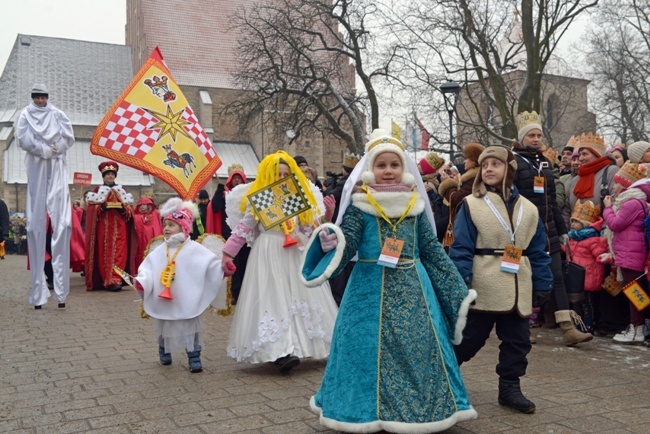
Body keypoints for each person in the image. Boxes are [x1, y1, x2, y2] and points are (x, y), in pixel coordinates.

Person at [301, 129, 477, 432]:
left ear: (404, 169)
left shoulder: (416, 206)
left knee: (418, 346)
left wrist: (454, 286)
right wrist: (331, 241)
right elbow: (350, 243)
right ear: (371, 168)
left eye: (394, 165)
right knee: (362, 347)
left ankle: (419, 411)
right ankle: (362, 411)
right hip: (367, 287)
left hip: (414, 289)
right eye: (381, 165)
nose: (388, 171)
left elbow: (432, 249)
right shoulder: (359, 203)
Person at [450, 146, 553, 414]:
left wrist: (543, 281)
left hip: (518, 282)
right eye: (485, 165)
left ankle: (510, 388)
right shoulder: (471, 204)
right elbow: (460, 247)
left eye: (496, 164)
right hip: (483, 282)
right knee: (469, 339)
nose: (489, 169)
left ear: (509, 170)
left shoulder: (529, 209)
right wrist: (461, 279)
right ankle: (442, 376)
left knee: (518, 341)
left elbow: (538, 249)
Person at [220, 151, 338, 373]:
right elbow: (243, 229)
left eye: (287, 174)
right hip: (268, 253)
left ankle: (311, 344)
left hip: (295, 254)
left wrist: (326, 217)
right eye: (277, 174)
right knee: (273, 299)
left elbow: (308, 229)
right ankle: (279, 351)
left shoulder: (295, 198)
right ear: (267, 177)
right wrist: (228, 253)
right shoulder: (259, 202)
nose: (282, 178)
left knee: (298, 297)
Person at [512, 111, 592, 346]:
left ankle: (568, 328)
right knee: (524, 277)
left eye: (539, 135)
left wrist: (562, 229)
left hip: (548, 231)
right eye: (531, 135)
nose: (536, 139)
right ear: (522, 137)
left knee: (557, 277)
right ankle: (520, 327)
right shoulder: (513, 162)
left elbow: (551, 200)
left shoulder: (545, 163)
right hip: (523, 232)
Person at [135, 198, 224, 372]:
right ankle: (164, 350)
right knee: (163, 324)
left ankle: (193, 355)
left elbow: (210, 263)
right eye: (165, 224)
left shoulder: (193, 248)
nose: (166, 228)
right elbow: (148, 268)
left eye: (171, 225)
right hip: (164, 297)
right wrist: (142, 282)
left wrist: (223, 269)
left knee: (191, 325)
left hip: (187, 296)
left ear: (184, 227)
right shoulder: (160, 249)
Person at [16, 83, 75, 309]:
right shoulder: (25, 115)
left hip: (57, 165)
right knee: (34, 226)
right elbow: (23, 139)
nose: (40, 101)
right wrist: (42, 150)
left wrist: (57, 148)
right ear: (33, 98)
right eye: (37, 97)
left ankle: (61, 290)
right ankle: (38, 291)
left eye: (43, 97)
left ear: (47, 97)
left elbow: (68, 135)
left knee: (62, 224)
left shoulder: (57, 114)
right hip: (38, 165)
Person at [602, 163, 650, 343]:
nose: (613, 187)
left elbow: (615, 224)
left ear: (625, 184)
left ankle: (637, 329)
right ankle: (638, 326)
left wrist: (607, 207)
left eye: (616, 183)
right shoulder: (637, 201)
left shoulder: (631, 203)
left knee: (634, 292)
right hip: (630, 252)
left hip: (631, 253)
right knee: (634, 291)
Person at [85, 162, 134, 292]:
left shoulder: (122, 191)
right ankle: (105, 279)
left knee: (119, 253)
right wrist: (101, 207)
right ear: (103, 176)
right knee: (104, 253)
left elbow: (130, 210)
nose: (110, 176)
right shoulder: (97, 190)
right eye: (108, 174)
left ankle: (116, 280)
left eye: (112, 174)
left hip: (120, 228)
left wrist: (124, 210)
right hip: (104, 229)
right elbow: (90, 209)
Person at [322, 153, 360, 306]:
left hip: (341, 233)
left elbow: (330, 196)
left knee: (339, 277)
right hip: (343, 234)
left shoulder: (343, 186)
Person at [566, 201, 608, 333]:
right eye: (572, 221)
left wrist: (603, 252)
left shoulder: (593, 240)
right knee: (576, 302)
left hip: (588, 276)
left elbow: (599, 254)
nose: (572, 224)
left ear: (585, 224)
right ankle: (579, 323)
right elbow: (567, 249)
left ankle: (589, 323)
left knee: (586, 302)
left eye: (576, 221)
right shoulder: (572, 238)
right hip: (575, 276)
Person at [212, 163, 251, 305]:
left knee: (246, 264)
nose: (237, 180)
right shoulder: (224, 195)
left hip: (247, 236)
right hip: (230, 234)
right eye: (234, 178)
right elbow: (215, 207)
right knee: (234, 266)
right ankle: (235, 293)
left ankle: (246, 292)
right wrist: (219, 191)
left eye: (239, 177)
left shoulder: (249, 193)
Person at [438, 143, 485, 250]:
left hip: (464, 228)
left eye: (467, 158)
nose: (464, 161)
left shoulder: (473, 179)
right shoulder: (472, 178)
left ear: (474, 161)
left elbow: (456, 199)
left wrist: (447, 183)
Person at [131, 196, 163, 272]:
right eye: (140, 205)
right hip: (139, 242)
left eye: (144, 204)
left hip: (151, 240)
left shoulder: (155, 214)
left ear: (148, 205)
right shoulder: (136, 217)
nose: (142, 207)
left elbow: (157, 227)